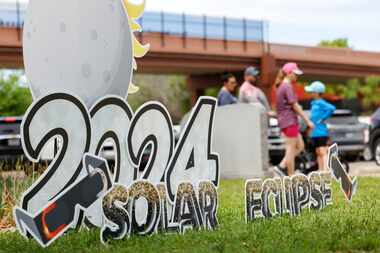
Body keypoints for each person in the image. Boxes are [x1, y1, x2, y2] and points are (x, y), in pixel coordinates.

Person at [273, 63, 314, 176]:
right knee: (290, 150)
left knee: (300, 146)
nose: (297, 76)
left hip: (287, 121)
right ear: (289, 73)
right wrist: (307, 121)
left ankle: (282, 166)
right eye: (295, 74)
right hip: (289, 121)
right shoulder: (287, 86)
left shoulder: (282, 86)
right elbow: (295, 106)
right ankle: (289, 176)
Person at [305, 81, 336, 171]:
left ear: (317, 93)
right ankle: (320, 170)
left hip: (321, 131)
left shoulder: (320, 102)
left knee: (323, 151)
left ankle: (325, 171)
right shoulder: (314, 103)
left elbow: (331, 108)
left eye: (312, 92)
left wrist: (323, 118)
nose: (311, 94)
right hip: (315, 132)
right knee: (318, 152)